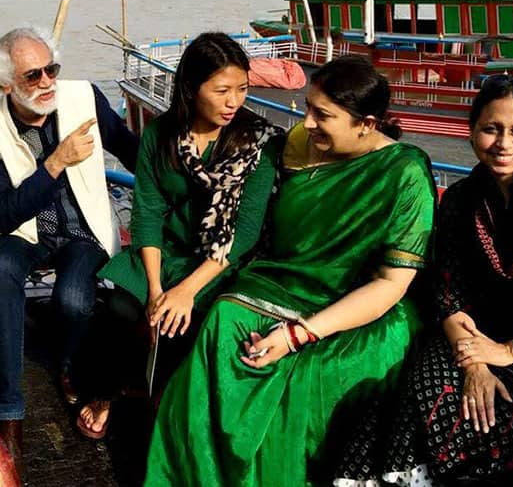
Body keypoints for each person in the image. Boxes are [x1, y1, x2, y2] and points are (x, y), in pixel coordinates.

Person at [146, 55, 436, 486]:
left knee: (312, 374)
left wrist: (297, 334)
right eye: (307, 108)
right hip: (287, 284)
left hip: (361, 305)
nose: (308, 122)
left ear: (367, 123)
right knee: (225, 321)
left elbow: (390, 284)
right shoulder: (304, 144)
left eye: (323, 115)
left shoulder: (405, 173)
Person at [77, 32, 283, 439]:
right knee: (122, 307)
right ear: (191, 88)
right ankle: (107, 391)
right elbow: (148, 212)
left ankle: (170, 405)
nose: (233, 102)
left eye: (242, 89)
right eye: (221, 90)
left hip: (218, 262)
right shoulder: (162, 134)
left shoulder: (258, 143)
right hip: (165, 252)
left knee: (188, 320)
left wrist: (185, 291)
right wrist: (155, 287)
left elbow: (243, 232)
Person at [0, 27, 139, 470]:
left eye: (51, 69)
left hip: (82, 232)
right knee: (1, 270)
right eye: (32, 76)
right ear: (6, 85)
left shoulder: (84, 97)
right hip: (27, 232)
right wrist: (56, 162)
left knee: (75, 299)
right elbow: (4, 215)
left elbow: (131, 149)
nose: (47, 82)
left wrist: (181, 181)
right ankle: (9, 414)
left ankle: (69, 365)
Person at [335, 74, 513, 486]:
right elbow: (448, 288)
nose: (504, 143)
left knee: (488, 414)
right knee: (416, 387)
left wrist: (508, 350)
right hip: (468, 336)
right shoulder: (461, 199)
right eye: (492, 129)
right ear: (472, 132)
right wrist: (475, 360)